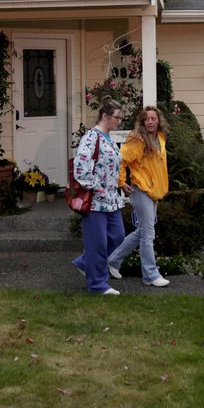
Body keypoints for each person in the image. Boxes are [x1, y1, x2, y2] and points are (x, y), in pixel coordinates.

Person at [107, 106, 170, 287]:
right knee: (148, 233)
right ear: (142, 122)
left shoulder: (160, 137)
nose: (150, 122)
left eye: (153, 118)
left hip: (154, 191)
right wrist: (121, 182)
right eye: (147, 119)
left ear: (158, 120)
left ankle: (112, 261)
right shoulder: (138, 139)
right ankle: (150, 274)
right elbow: (121, 159)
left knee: (142, 231)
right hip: (141, 190)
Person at [70, 98, 127, 295]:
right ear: (105, 116)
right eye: (117, 117)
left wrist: (119, 185)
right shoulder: (91, 138)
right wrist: (98, 188)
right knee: (98, 243)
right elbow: (81, 169)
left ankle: (85, 262)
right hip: (94, 201)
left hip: (111, 200)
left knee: (118, 235)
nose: (119, 121)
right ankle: (97, 285)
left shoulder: (109, 138)